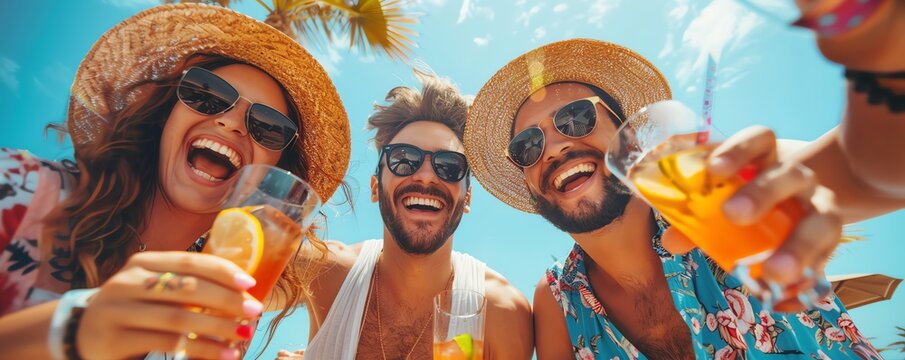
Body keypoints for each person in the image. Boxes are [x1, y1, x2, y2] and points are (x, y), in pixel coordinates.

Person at [463, 39, 880, 359]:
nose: (552, 148)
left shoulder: (721, 190)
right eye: (527, 146)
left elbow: (867, 162)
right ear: (528, 181)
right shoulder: (557, 301)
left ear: (628, 136)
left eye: (576, 118)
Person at [0, 3, 351, 359]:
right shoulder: (18, 187)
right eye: (208, 94)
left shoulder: (222, 305)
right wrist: (75, 329)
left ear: (276, 171)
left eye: (269, 127)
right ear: (166, 114)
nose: (231, 123)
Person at [293, 70, 533, 359]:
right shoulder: (325, 271)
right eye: (403, 160)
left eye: (449, 165)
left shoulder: (503, 312)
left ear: (466, 197)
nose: (427, 176)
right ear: (375, 187)